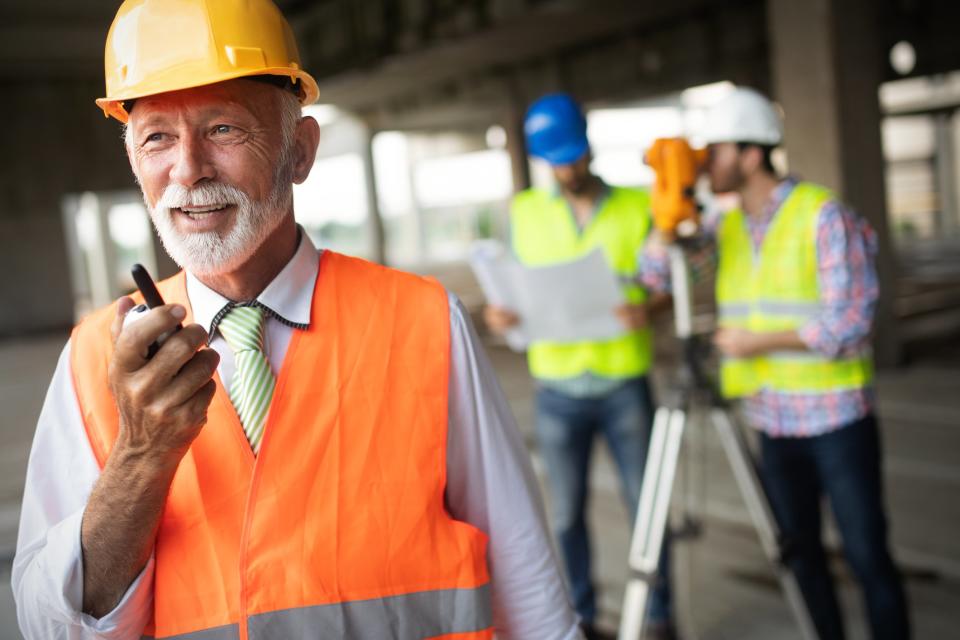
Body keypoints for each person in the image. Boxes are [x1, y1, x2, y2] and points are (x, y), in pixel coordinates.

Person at [11, 1, 582, 638]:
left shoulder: (423, 321)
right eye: (157, 138)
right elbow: (50, 624)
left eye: (224, 129)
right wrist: (141, 457)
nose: (189, 168)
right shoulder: (93, 359)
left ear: (301, 152)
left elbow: (522, 569)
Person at [640, 86, 910, 640]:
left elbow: (851, 324)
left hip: (836, 420)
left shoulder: (822, 215)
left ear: (751, 154)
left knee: (866, 556)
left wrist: (757, 343)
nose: (706, 162)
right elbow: (657, 277)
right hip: (772, 422)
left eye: (715, 151)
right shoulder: (725, 224)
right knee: (800, 557)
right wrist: (669, 211)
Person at [485, 93, 674, 640]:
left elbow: (664, 286)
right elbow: (513, 293)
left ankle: (661, 618)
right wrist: (502, 317)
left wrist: (649, 307)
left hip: (624, 381)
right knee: (565, 516)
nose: (568, 168)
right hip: (557, 388)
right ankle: (584, 617)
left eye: (575, 155)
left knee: (648, 511)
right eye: (557, 159)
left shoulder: (637, 207)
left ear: (589, 146)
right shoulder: (525, 213)